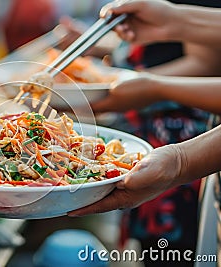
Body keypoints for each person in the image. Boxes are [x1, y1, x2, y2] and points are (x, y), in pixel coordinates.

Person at [67, 1, 221, 265]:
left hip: (185, 136)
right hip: (192, 151)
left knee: (174, 251)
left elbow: (204, 62)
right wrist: (173, 20)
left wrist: (154, 88)